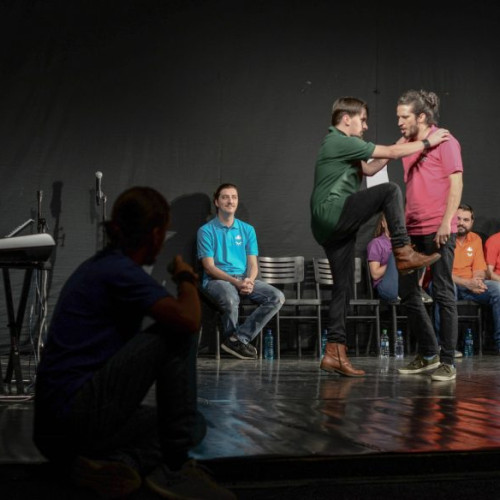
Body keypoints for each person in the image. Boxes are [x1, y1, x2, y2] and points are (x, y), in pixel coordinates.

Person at [33, 187, 235, 500]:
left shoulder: (103, 265)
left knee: (191, 425)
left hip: (53, 431)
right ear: (155, 234)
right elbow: (189, 320)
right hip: (75, 415)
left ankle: (112, 465)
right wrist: (186, 278)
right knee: (177, 332)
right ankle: (175, 469)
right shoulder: (118, 270)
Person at [310, 96, 447, 377]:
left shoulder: (343, 148)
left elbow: (371, 167)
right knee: (390, 191)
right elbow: (390, 153)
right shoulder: (339, 140)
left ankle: (334, 352)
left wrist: (401, 142)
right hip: (333, 212)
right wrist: (426, 142)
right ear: (346, 119)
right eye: (362, 120)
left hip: (330, 226)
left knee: (343, 288)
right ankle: (404, 251)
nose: (364, 126)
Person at [396, 89, 463, 382]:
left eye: (404, 117)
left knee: (443, 292)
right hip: (412, 230)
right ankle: (428, 353)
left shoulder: (446, 141)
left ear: (421, 117)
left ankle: (447, 361)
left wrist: (447, 221)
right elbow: (380, 158)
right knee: (407, 293)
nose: (399, 122)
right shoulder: (407, 144)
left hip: (438, 229)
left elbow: (456, 183)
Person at [197, 183, 285, 360]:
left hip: (243, 279)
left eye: (234, 197)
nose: (230, 201)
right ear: (217, 202)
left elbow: (253, 264)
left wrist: (250, 280)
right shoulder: (206, 231)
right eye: (225, 197)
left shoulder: (247, 230)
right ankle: (235, 344)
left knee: (277, 297)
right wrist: (236, 283)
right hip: (217, 281)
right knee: (230, 299)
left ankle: (237, 339)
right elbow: (209, 267)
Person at [443, 204, 500, 354]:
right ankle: (446, 346)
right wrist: (466, 283)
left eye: (466, 220)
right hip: (448, 283)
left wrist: (476, 281)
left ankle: (499, 343)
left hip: (470, 286)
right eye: (458, 219)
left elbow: (480, 269)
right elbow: (441, 273)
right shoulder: (443, 237)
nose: (461, 223)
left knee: (497, 289)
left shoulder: (475, 239)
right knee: (448, 288)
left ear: (472, 222)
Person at [367, 214, 432, 303]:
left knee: (418, 252)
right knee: (397, 251)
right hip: (387, 287)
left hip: (405, 284)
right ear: (383, 223)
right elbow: (375, 274)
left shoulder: (406, 243)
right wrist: (395, 262)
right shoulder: (376, 243)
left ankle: (417, 289)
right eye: (389, 221)